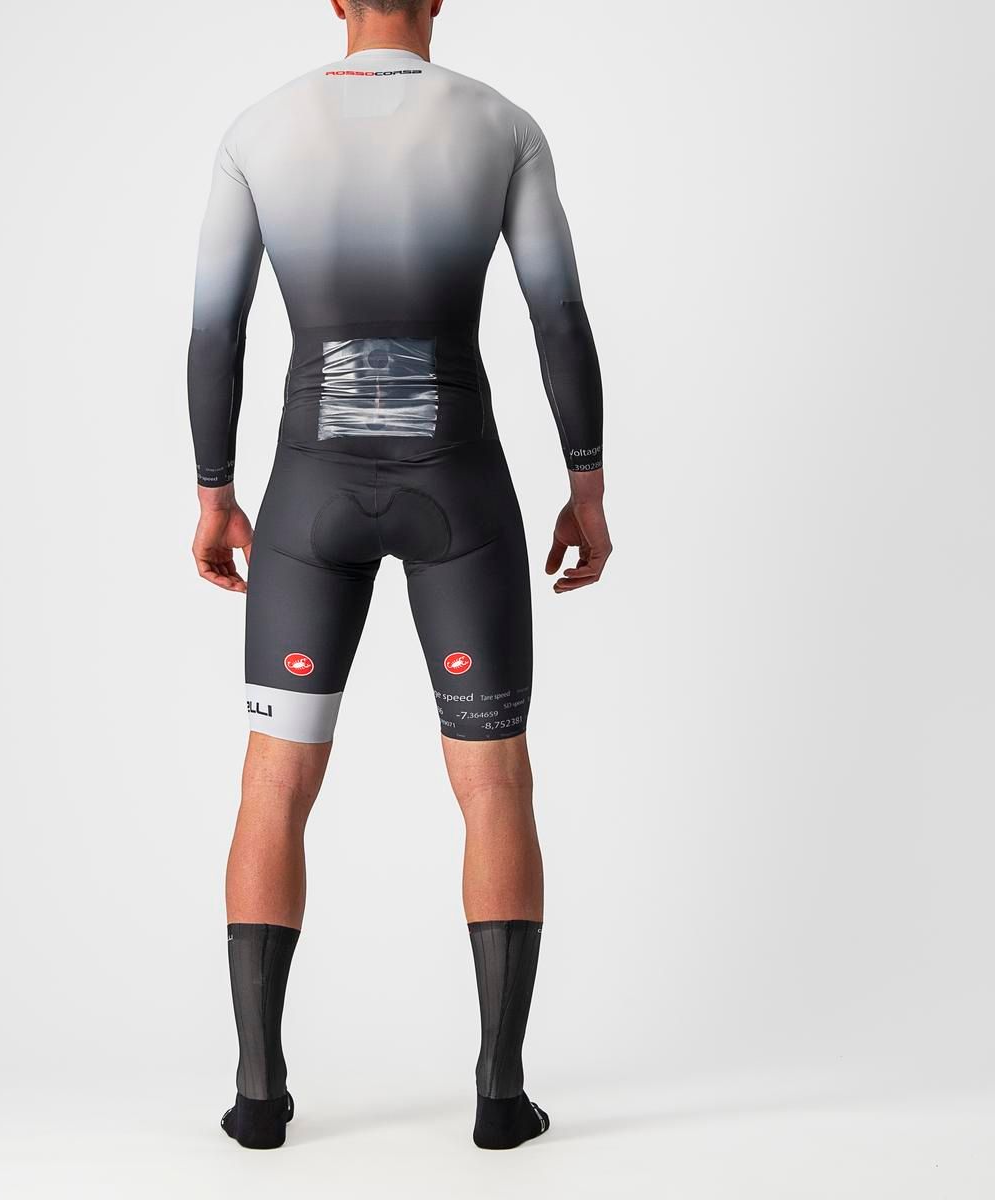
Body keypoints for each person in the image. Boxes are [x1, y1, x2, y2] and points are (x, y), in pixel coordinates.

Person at [187, 0, 611, 1151]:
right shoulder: (500, 125)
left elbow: (216, 332)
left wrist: (215, 492)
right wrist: (586, 485)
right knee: (495, 782)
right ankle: (500, 1097)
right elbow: (558, 316)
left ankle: (259, 1097)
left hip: (307, 496)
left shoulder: (260, 131)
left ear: (335, 0)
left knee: (273, 784)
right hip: (456, 489)